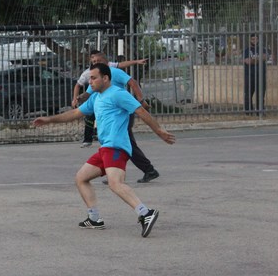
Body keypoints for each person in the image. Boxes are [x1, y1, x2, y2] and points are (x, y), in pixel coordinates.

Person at [32, 63, 175, 237]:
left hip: (116, 146)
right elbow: (75, 113)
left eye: (94, 78)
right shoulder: (96, 97)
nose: (90, 82)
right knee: (81, 178)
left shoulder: (117, 93)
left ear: (105, 78)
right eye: (89, 78)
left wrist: (159, 131)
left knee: (115, 183)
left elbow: (141, 111)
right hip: (105, 147)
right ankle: (94, 219)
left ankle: (145, 213)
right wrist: (49, 120)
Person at [81, 51, 160, 183]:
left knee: (123, 144)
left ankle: (148, 170)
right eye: (93, 62)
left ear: (105, 61)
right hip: (109, 114)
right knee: (115, 143)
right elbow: (89, 92)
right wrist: (80, 98)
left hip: (122, 113)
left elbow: (133, 83)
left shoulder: (114, 72)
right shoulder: (96, 78)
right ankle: (118, 171)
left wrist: (141, 100)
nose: (95, 64)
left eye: (97, 61)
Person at [242, 34, 269, 115]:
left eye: (256, 39)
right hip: (249, 76)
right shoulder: (246, 50)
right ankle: (248, 112)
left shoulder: (262, 49)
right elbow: (247, 61)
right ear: (250, 40)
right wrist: (259, 59)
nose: (254, 40)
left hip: (261, 76)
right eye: (253, 39)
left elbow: (265, 57)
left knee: (260, 95)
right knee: (248, 95)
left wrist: (254, 59)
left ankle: (259, 112)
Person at [72, 67, 95, 148]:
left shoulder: (111, 68)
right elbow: (87, 92)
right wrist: (77, 98)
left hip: (107, 101)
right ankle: (88, 140)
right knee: (89, 118)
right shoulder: (87, 73)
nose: (91, 80)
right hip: (93, 101)